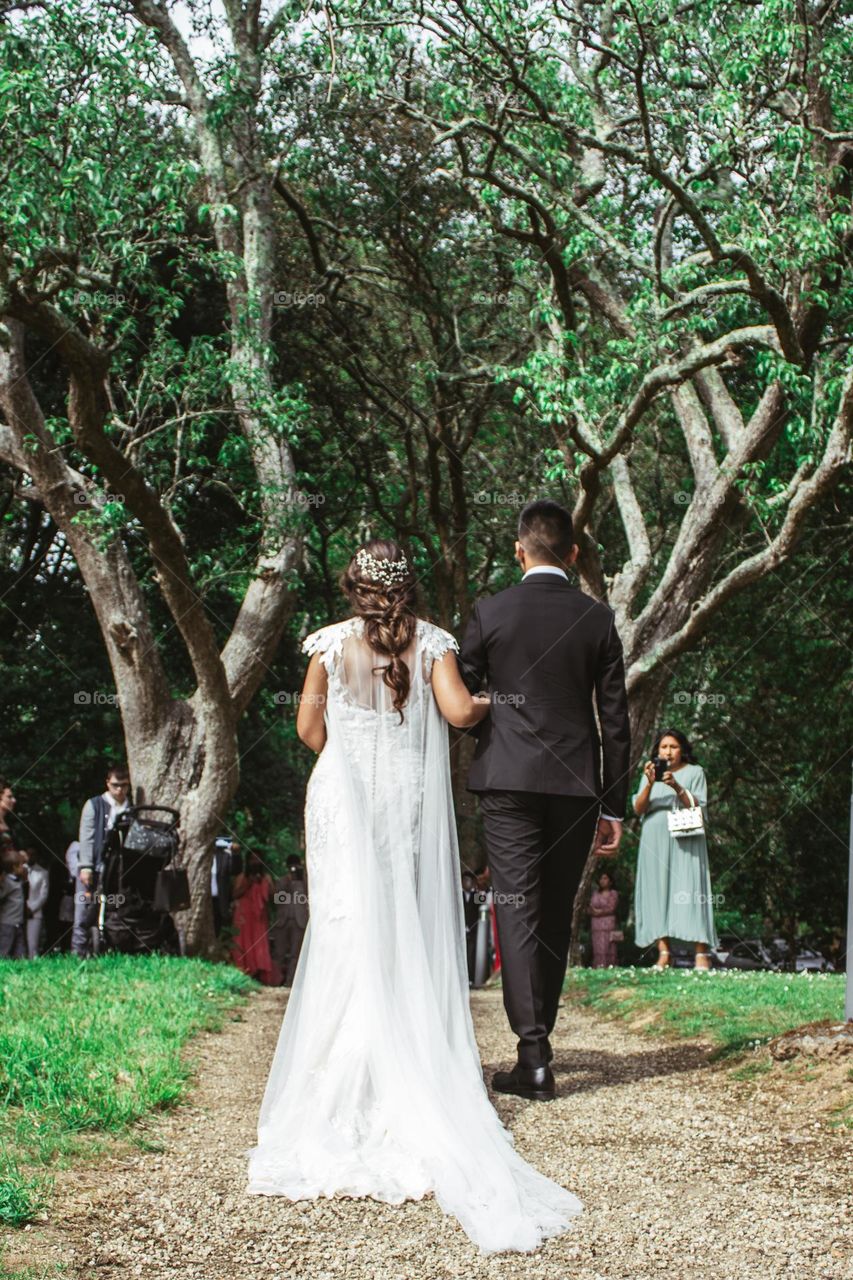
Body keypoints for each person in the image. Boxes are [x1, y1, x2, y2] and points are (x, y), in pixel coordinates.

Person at [246, 539, 582, 1254]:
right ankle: (409, 1070)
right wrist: (509, 697)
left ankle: (341, 1084)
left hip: (342, 794)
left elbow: (309, 729)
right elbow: (461, 715)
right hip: (402, 796)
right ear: (406, 587)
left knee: (345, 928)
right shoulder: (432, 644)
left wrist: (351, 751)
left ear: (354, 585)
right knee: (398, 926)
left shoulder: (328, 648)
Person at [459, 499, 631, 1101]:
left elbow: (459, 696)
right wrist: (614, 805)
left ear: (519, 550)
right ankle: (537, 1046)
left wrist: (486, 717)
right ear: (574, 554)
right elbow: (615, 722)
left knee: (517, 909)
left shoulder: (490, 612)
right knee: (555, 911)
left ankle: (534, 1055)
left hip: (508, 782)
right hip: (576, 787)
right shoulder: (597, 620)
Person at [633, 728, 718, 971]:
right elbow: (638, 809)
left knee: (690, 888)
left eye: (673, 747)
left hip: (686, 835)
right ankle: (664, 952)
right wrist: (650, 783)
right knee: (657, 892)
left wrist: (677, 786)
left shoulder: (695, 772)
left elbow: (698, 807)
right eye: (663, 747)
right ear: (657, 751)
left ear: (683, 750)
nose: (668, 751)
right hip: (654, 837)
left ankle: (701, 953)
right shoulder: (649, 773)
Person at [74, 763, 130, 957]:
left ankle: (112, 948)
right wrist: (86, 866)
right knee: (84, 910)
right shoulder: (94, 805)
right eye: (115, 785)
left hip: (120, 870)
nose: (119, 789)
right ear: (108, 783)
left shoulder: (132, 808)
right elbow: (86, 838)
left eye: (123, 785)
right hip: (96, 866)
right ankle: (78, 952)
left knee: (117, 908)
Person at [231, 851, 277, 985]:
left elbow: (274, 897)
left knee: (259, 942)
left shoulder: (266, 877)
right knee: (243, 942)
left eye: (258, 859)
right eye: (252, 859)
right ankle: (244, 971)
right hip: (244, 915)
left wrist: (267, 885)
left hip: (259, 917)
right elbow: (234, 894)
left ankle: (260, 972)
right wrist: (248, 883)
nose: (255, 862)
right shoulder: (242, 877)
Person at [270, 855, 309, 986]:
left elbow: (309, 896)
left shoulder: (305, 882)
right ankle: (275, 980)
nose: (293, 870)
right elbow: (276, 898)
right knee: (278, 953)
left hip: (299, 921)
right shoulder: (282, 881)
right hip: (283, 921)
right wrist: (288, 880)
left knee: (295, 954)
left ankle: (290, 981)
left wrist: (302, 878)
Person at [587, 870, 620, 968]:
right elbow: (590, 907)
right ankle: (598, 966)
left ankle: (610, 966)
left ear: (610, 881)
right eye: (601, 878)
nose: (602, 881)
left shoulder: (613, 893)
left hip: (608, 924)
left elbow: (611, 908)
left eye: (605, 878)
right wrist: (592, 911)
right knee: (598, 948)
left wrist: (599, 912)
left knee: (608, 947)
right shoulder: (595, 893)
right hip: (596, 925)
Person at [22, 847, 49, 957]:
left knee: (32, 943)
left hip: (34, 912)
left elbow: (43, 895)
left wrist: (31, 908)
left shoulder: (43, 872)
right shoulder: (20, 868)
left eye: (33, 854)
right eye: (28, 854)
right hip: (18, 910)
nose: (30, 857)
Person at [0, 847, 26, 957]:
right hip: (7, 922)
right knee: (4, 949)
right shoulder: (6, 881)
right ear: (14, 867)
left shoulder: (18, 880)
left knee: (20, 951)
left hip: (17, 922)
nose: (23, 867)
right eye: (21, 865)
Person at [211, 838, 238, 937]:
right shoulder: (199, 857)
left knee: (219, 924)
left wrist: (235, 853)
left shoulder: (225, 856)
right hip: (205, 899)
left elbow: (235, 870)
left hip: (219, 898)